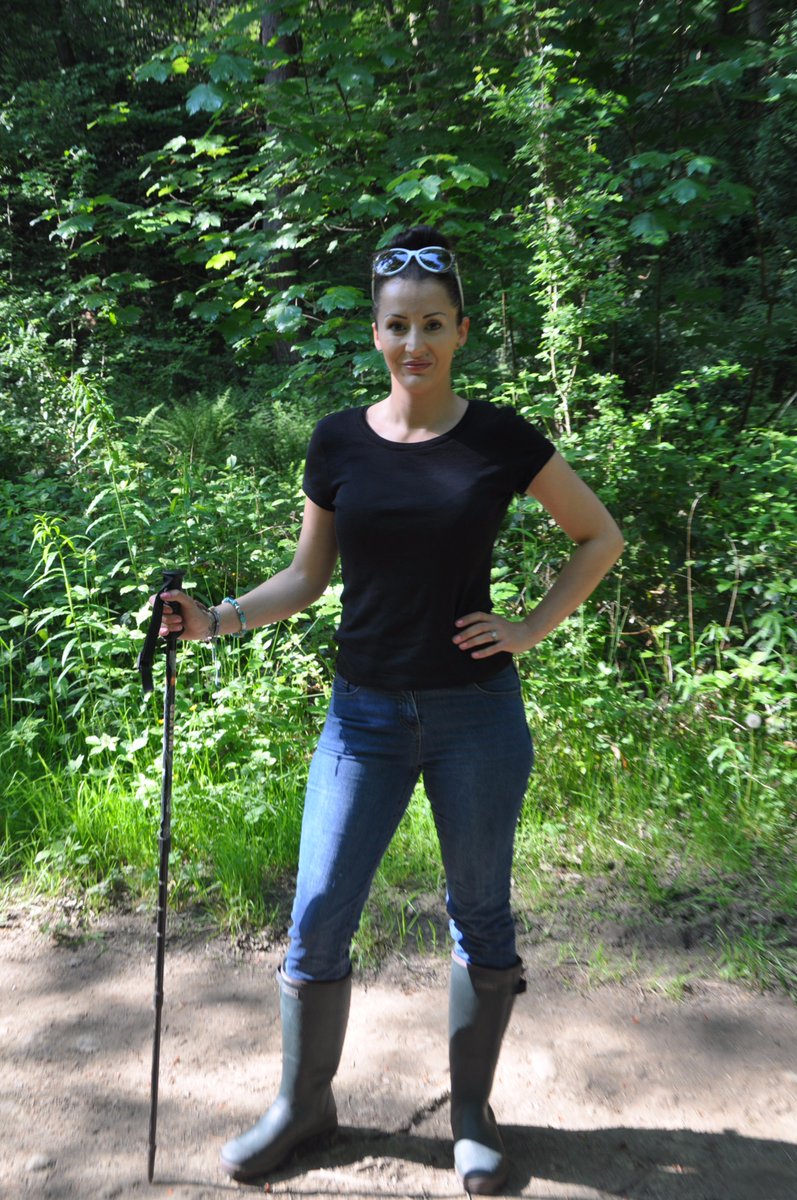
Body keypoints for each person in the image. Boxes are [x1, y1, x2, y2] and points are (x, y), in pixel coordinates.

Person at [154, 226, 624, 1195]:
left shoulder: (500, 438)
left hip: (474, 717)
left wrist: (528, 628)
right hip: (361, 717)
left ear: (458, 331)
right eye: (396, 325)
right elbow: (305, 575)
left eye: (431, 325)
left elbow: (596, 536)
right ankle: (302, 1105)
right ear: (374, 333)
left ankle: (470, 1114)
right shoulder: (336, 441)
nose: (413, 342)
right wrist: (213, 621)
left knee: (479, 914)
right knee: (319, 911)